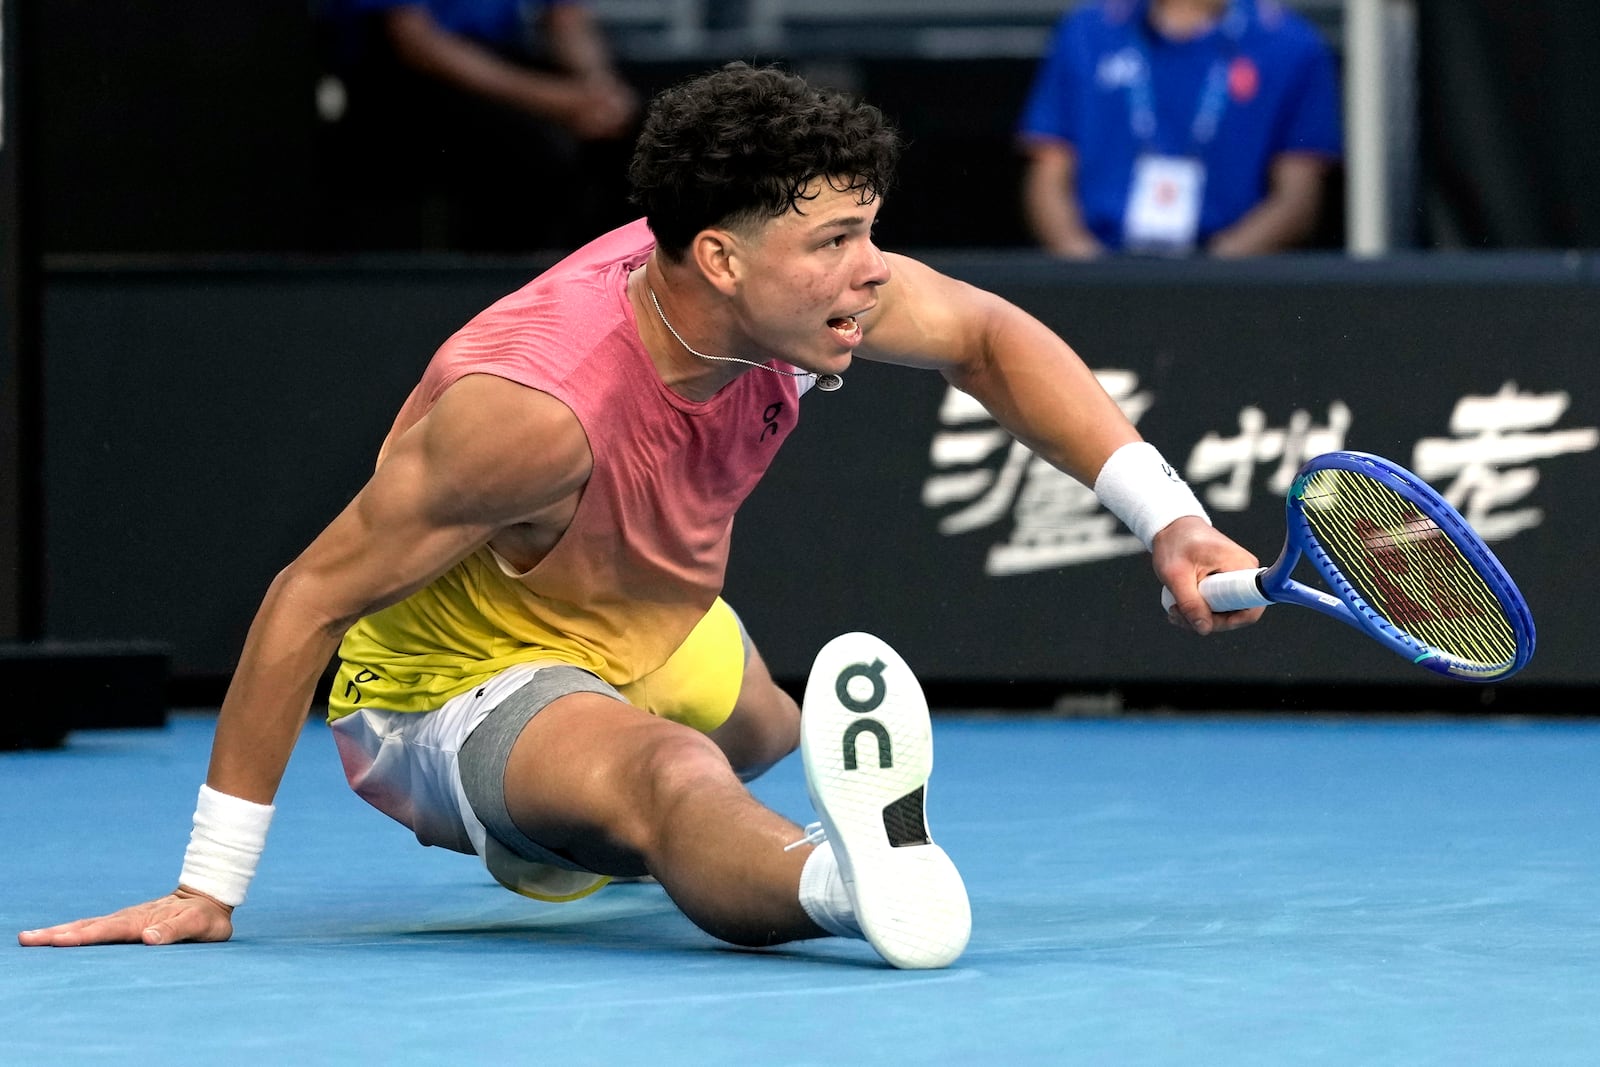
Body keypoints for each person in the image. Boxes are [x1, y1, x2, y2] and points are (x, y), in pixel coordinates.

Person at [19, 63, 1263, 969]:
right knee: (670, 778)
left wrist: (1166, 517)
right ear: (719, 259)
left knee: (760, 728)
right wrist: (208, 883)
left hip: (643, 618)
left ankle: (618, 829)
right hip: (454, 683)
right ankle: (839, 886)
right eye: (836, 240)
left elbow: (988, 338)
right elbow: (307, 596)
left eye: (869, 231)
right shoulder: (529, 414)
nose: (871, 270)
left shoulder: (793, 298)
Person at [1018, 0, 1342, 258]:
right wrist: (1086, 264)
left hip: (1228, 276)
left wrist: (1210, 273)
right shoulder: (1087, 31)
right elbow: (1048, 174)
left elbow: (1298, 198)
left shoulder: (1290, 43)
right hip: (1100, 265)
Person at [316, 0, 640, 250]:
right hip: (404, 79)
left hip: (499, 58)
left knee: (637, 137)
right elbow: (414, 41)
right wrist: (554, 100)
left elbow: (566, 16)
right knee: (534, 150)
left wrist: (597, 89)